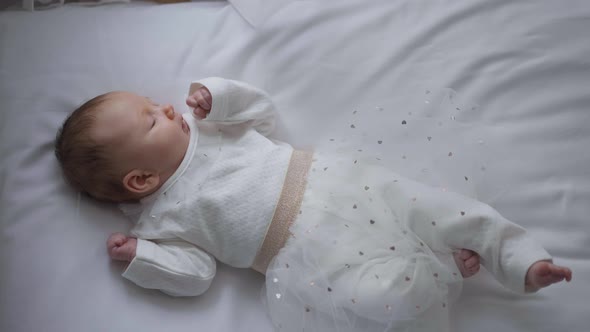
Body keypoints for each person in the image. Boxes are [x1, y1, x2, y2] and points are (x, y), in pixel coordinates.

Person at [54, 77, 572, 331]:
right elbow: (196, 275)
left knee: (437, 206)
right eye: (150, 119)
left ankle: (521, 259)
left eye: (154, 102)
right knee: (377, 303)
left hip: (338, 181)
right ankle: (442, 269)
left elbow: (263, 113)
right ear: (141, 179)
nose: (165, 107)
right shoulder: (163, 220)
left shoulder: (209, 130)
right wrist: (143, 258)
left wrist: (219, 96)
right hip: (308, 254)